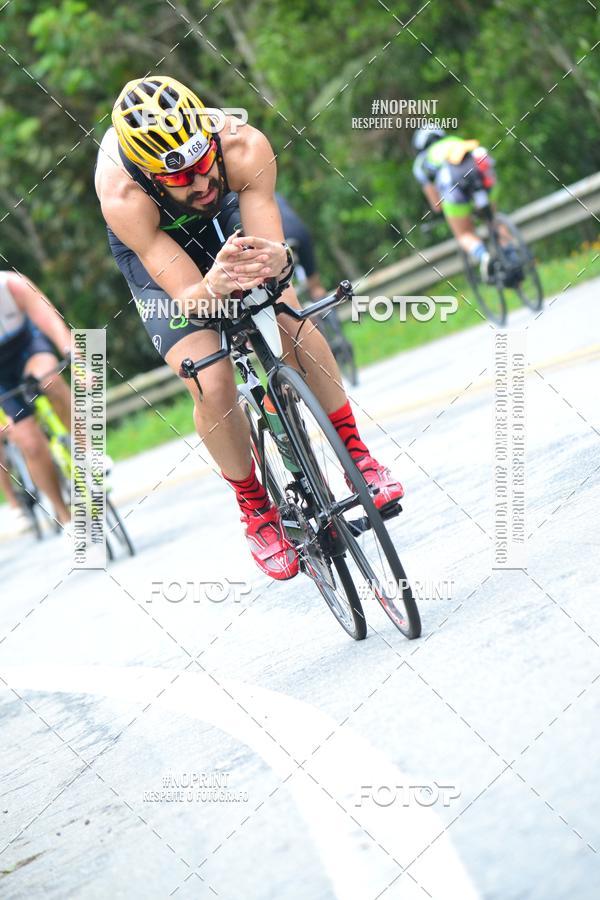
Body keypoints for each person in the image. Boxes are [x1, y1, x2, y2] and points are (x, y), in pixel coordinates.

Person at [95, 75, 403, 580]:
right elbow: (191, 297)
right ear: (150, 177)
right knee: (210, 378)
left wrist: (276, 261)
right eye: (180, 179)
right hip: (159, 256)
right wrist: (211, 288)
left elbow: (275, 259)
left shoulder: (243, 147)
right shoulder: (126, 197)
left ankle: (358, 456)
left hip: (226, 222)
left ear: (211, 141)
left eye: (201, 164)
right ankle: (257, 511)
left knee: (289, 321)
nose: (199, 184)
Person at [0, 271, 72, 526]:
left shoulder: (12, 286)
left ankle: (84, 447)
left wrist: (70, 348)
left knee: (50, 380)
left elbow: (51, 321)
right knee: (29, 442)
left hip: (27, 349)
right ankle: (64, 514)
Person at [412, 128, 497, 279]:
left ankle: (484, 256)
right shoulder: (455, 141)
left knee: (464, 234)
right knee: (494, 222)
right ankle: (510, 250)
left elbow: (437, 204)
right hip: (481, 181)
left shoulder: (422, 161)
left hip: (454, 190)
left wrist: (442, 210)